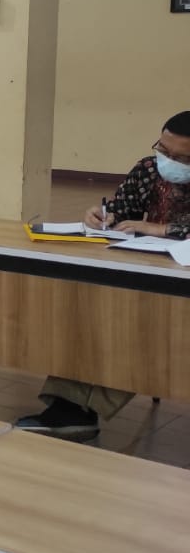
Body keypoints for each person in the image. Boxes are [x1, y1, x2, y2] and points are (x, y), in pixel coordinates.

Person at [16, 110, 190, 441]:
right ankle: (69, 408)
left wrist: (163, 227)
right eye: (165, 150)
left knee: (141, 328)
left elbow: (156, 227)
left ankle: (76, 410)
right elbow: (119, 213)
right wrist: (100, 216)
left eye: (182, 158)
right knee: (97, 314)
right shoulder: (148, 169)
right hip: (150, 270)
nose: (169, 161)